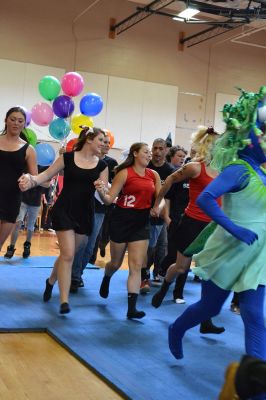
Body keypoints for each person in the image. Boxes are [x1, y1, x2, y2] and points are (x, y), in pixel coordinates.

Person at [167, 87, 266, 371]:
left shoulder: (262, 172)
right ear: (246, 136)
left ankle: (256, 384)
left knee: (254, 316)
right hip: (229, 250)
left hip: (257, 255)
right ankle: (177, 328)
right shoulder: (239, 169)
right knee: (210, 308)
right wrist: (234, 229)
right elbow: (206, 198)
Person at [19, 127, 108, 314]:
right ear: (89, 139)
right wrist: (30, 180)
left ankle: (51, 280)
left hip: (85, 213)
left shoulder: (102, 166)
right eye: (101, 140)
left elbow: (107, 199)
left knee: (67, 255)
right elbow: (44, 176)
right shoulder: (67, 158)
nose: (104, 144)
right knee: (68, 255)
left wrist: (102, 190)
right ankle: (64, 301)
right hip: (65, 210)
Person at [151, 126, 225, 334]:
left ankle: (205, 320)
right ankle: (165, 286)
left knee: (210, 271)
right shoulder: (195, 167)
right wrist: (157, 203)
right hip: (192, 223)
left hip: (213, 226)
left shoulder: (224, 170)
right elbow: (170, 181)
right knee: (181, 267)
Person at [95, 142, 162, 319]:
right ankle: (107, 277)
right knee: (115, 263)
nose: (149, 155)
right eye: (146, 152)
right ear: (135, 154)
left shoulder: (153, 175)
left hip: (141, 222)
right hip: (121, 220)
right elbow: (110, 199)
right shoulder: (124, 173)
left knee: (136, 266)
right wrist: (102, 192)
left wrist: (157, 207)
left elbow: (160, 197)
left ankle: (131, 308)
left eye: (149, 153)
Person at [70, 131, 118, 293]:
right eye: (101, 141)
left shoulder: (111, 164)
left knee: (90, 246)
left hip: (100, 209)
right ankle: (73, 276)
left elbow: (113, 186)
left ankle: (78, 273)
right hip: (80, 206)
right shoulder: (80, 158)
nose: (104, 144)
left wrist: (108, 190)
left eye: (107, 142)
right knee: (79, 244)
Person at [0, 107, 37, 253]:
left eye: (20, 121)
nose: (16, 123)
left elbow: (35, 178)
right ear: (6, 120)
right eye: (13, 119)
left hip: (12, 199)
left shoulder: (29, 149)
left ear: (24, 124)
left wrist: (27, 180)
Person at [140, 138, 174, 293]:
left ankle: (156, 273)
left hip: (161, 214)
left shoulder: (170, 171)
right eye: (155, 148)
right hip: (144, 213)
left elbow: (168, 197)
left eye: (161, 149)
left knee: (162, 247)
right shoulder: (146, 166)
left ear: (166, 150)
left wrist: (166, 216)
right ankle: (144, 274)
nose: (158, 152)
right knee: (150, 247)